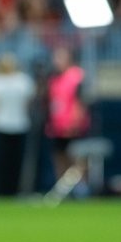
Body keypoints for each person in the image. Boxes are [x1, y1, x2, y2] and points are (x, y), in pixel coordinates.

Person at [0, 53, 36, 196]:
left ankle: (7, 189)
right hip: (10, 123)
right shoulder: (21, 81)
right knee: (10, 160)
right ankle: (8, 189)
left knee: (7, 160)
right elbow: (28, 103)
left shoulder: (17, 80)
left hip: (9, 123)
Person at [45, 46, 89, 182]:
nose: (56, 61)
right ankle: (63, 187)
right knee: (59, 155)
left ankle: (82, 188)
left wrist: (75, 122)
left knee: (78, 157)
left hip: (74, 127)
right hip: (58, 126)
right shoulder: (54, 78)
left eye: (60, 57)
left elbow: (80, 101)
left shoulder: (76, 76)